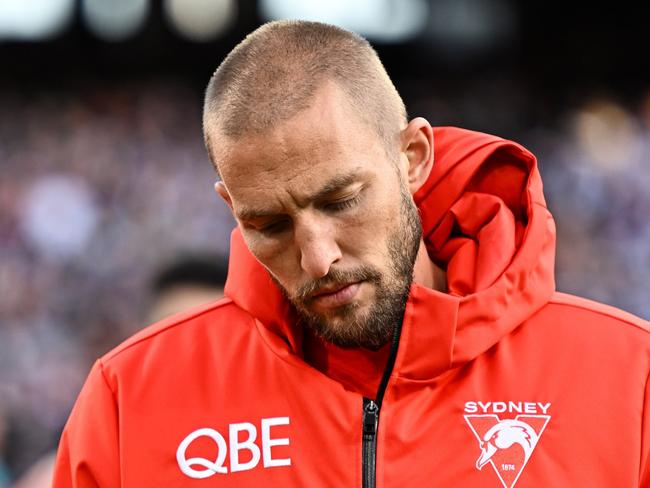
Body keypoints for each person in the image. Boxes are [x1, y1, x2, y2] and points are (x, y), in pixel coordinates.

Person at [53, 20, 650, 487]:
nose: (316, 258)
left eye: (341, 200)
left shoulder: (629, 380)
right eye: (267, 224)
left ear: (414, 157)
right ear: (229, 204)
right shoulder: (129, 399)